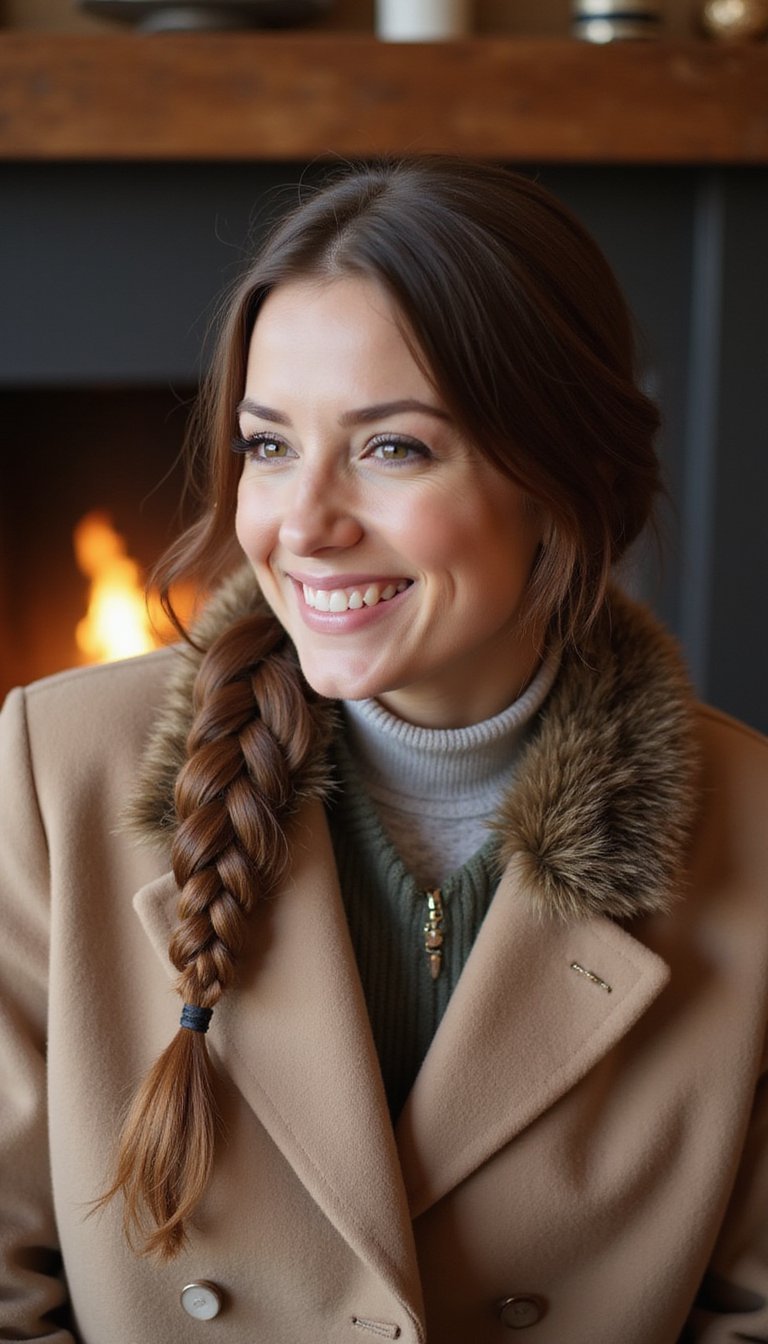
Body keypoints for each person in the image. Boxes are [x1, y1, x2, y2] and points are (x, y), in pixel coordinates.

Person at [1, 156, 767, 1344]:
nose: (301, 526)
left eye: (392, 448)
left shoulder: (755, 828)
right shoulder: (56, 768)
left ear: (562, 481)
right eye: (268, 445)